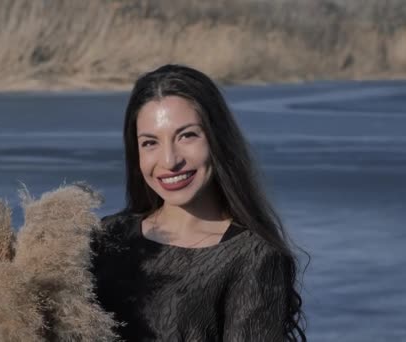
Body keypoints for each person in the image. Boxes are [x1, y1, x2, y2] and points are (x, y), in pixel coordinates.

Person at [91, 64, 306, 341]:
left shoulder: (253, 257)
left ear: (217, 139)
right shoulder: (107, 237)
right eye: (150, 143)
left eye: (187, 136)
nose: (169, 161)